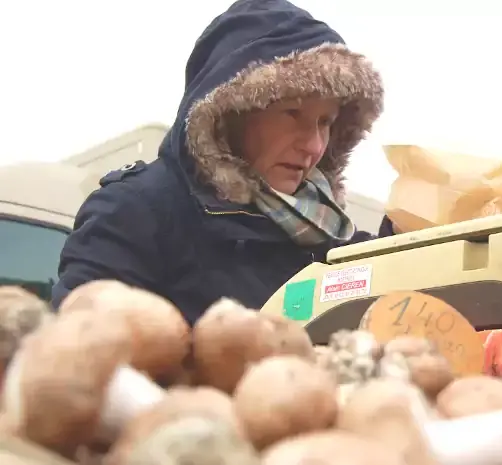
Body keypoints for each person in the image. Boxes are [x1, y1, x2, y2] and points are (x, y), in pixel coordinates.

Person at [50, 0, 392, 325]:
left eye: (325, 122)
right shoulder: (134, 213)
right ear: (232, 114)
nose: (314, 145)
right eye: (293, 113)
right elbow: (79, 357)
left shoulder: (324, 231)